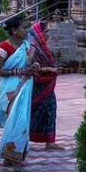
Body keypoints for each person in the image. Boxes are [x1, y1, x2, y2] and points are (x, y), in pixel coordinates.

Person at [0, 15, 33, 170]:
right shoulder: (4, 48)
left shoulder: (27, 46)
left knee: (21, 123)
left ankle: (12, 157)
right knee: (16, 123)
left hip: (25, 86)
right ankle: (13, 157)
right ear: (14, 30)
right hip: (10, 90)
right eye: (24, 27)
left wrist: (33, 64)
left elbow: (30, 63)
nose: (27, 30)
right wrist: (18, 71)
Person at [27, 21, 64, 149]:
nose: (47, 34)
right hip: (38, 86)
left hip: (47, 85)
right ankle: (22, 137)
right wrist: (50, 69)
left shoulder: (44, 47)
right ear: (39, 34)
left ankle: (50, 141)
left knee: (51, 110)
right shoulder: (32, 48)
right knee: (33, 112)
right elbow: (31, 67)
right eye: (45, 32)